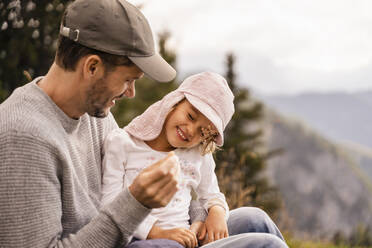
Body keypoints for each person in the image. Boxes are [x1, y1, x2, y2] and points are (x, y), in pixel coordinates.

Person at [0, 0, 288, 248]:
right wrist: (136, 204)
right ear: (92, 67)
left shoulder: (92, 114)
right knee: (265, 245)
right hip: (141, 241)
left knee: (255, 220)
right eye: (128, 79)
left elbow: (180, 180)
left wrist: (205, 211)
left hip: (144, 236)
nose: (131, 93)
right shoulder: (23, 137)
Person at [101, 72, 233, 248]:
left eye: (202, 132)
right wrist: (157, 233)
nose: (191, 130)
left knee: (256, 219)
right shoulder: (123, 143)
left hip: (186, 239)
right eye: (190, 116)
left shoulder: (198, 155)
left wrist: (216, 212)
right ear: (174, 103)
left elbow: (211, 195)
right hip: (138, 240)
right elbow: (109, 203)